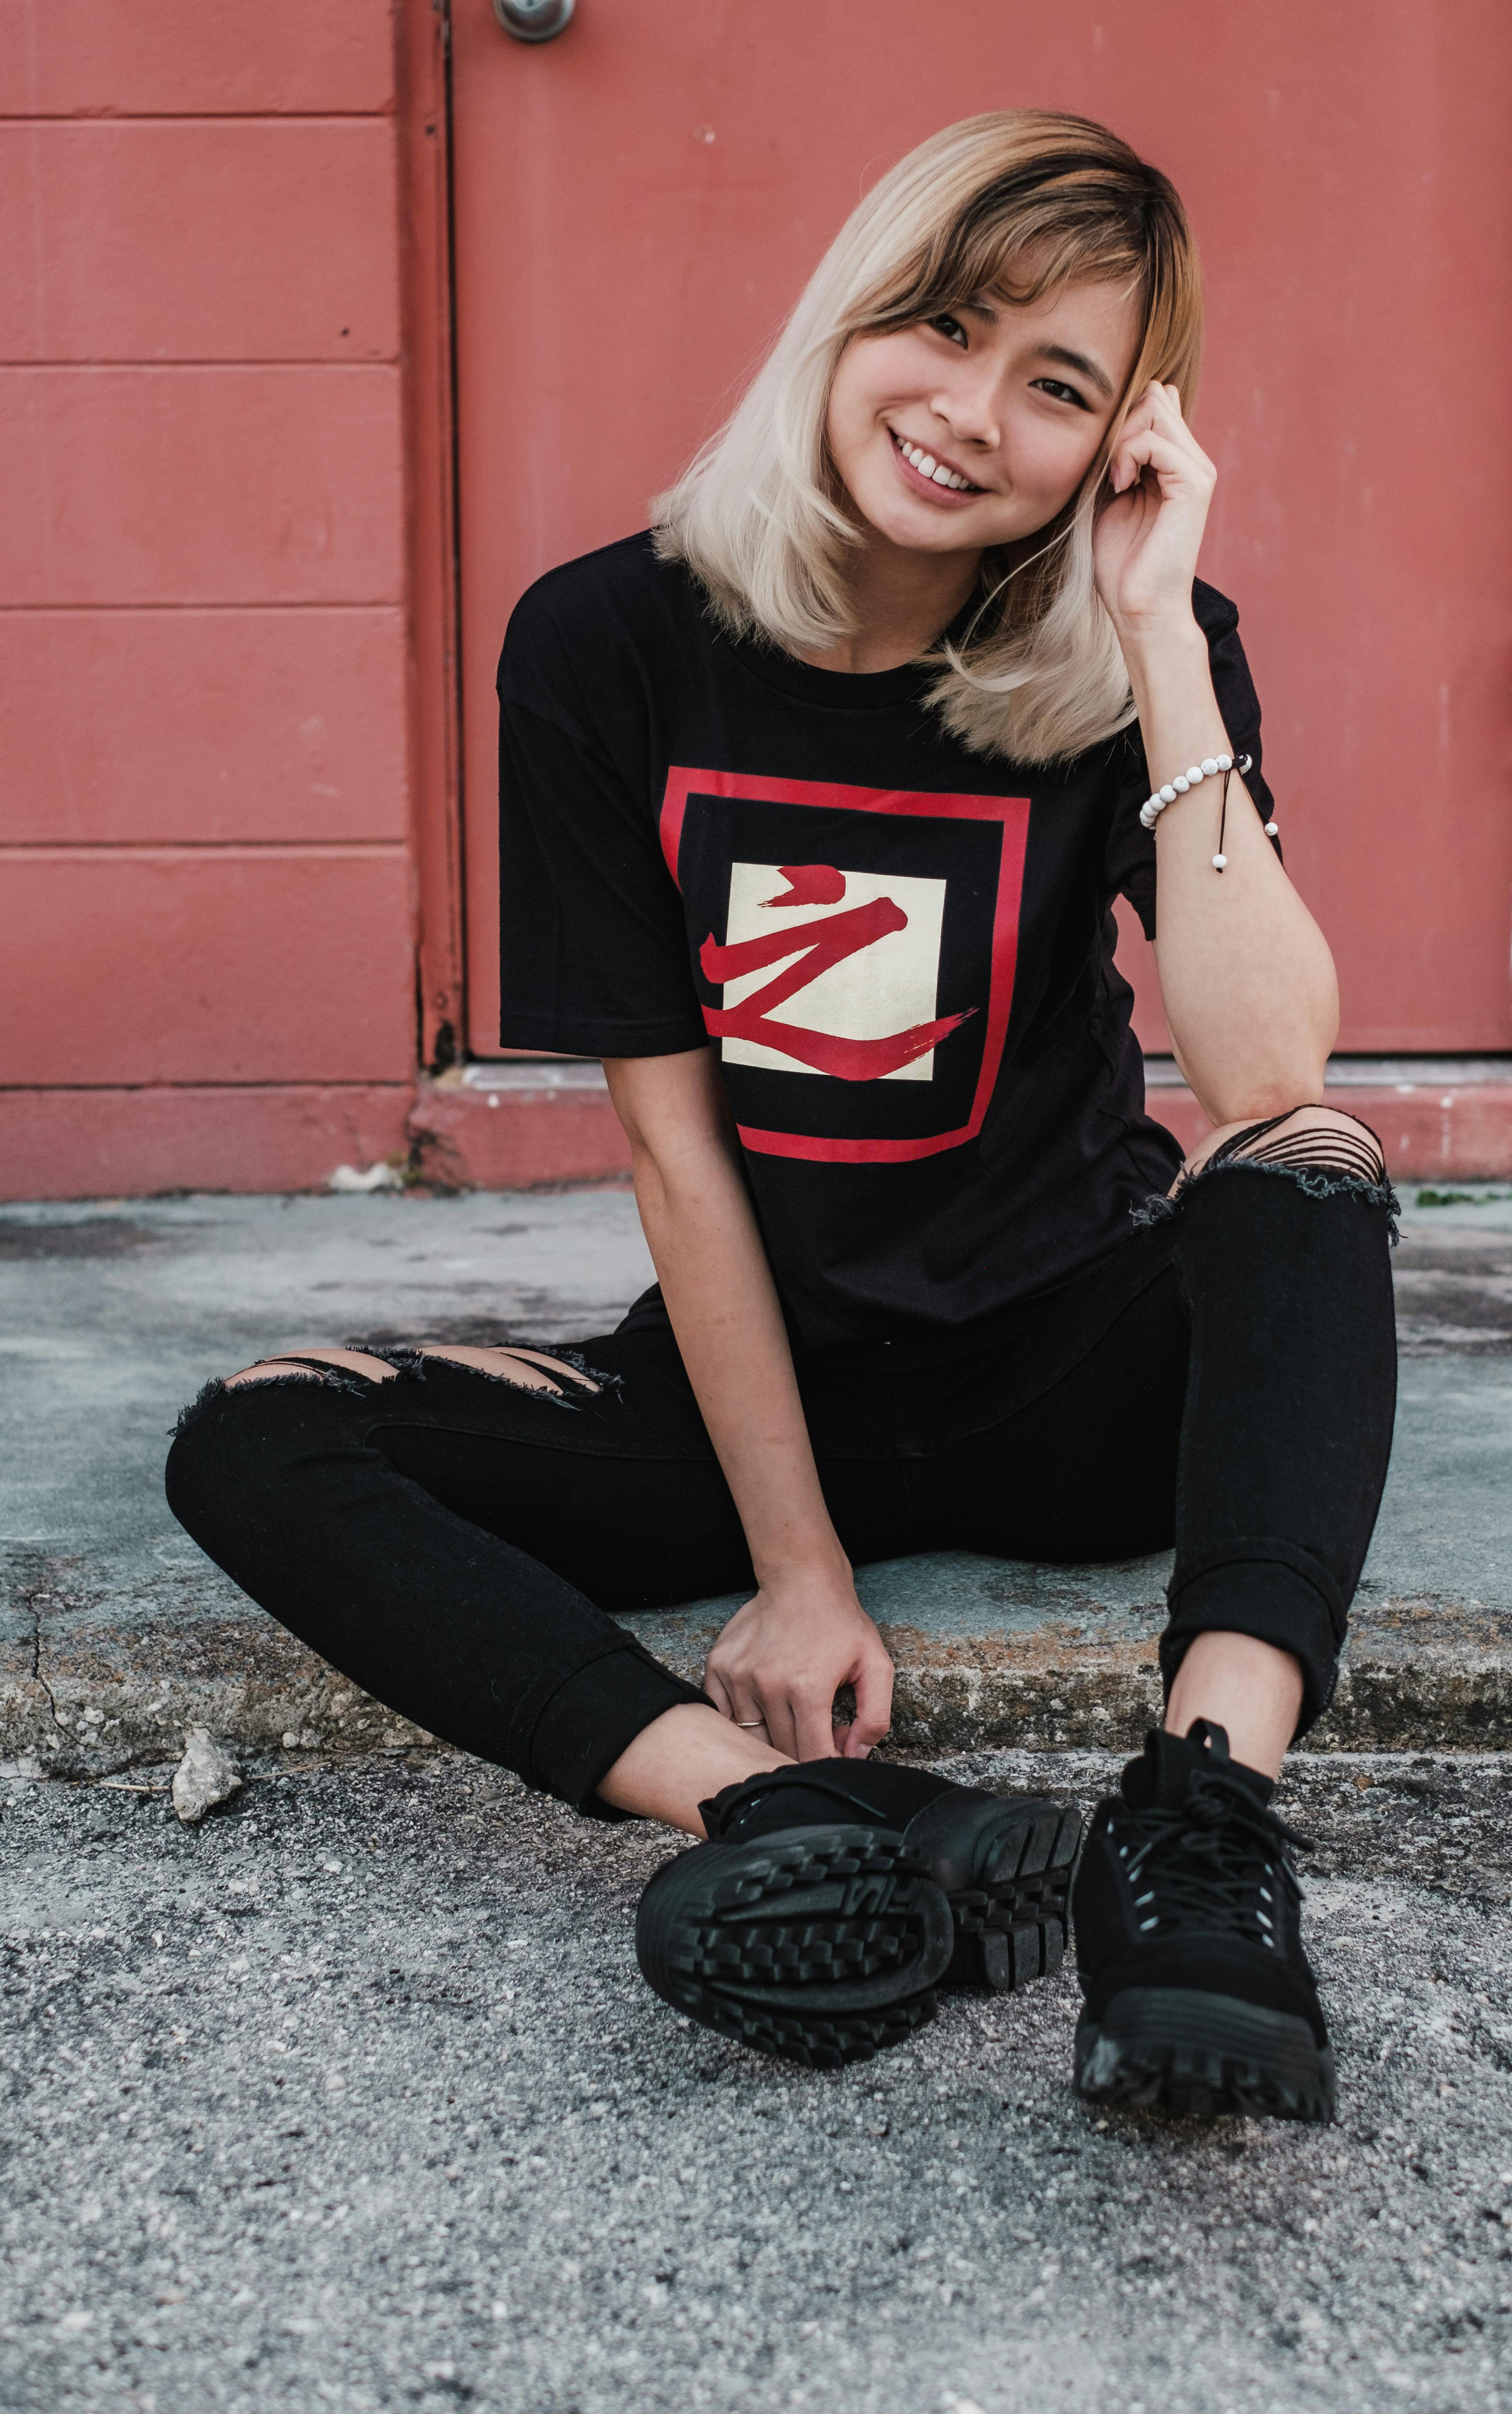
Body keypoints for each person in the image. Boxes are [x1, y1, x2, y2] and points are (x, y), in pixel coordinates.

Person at [167, 110, 1396, 2123]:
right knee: (257, 1439)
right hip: (760, 1381)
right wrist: (796, 1561)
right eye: (947, 325)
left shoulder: (1131, 656)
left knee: (1311, 1171)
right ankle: (796, 1813)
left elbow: (1267, 1078)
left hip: (1071, 1374)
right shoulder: (608, 642)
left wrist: (1161, 637)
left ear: (1121, 444)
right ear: (850, 312)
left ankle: (1196, 1840)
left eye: (1059, 387)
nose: (973, 413)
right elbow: (673, 1149)